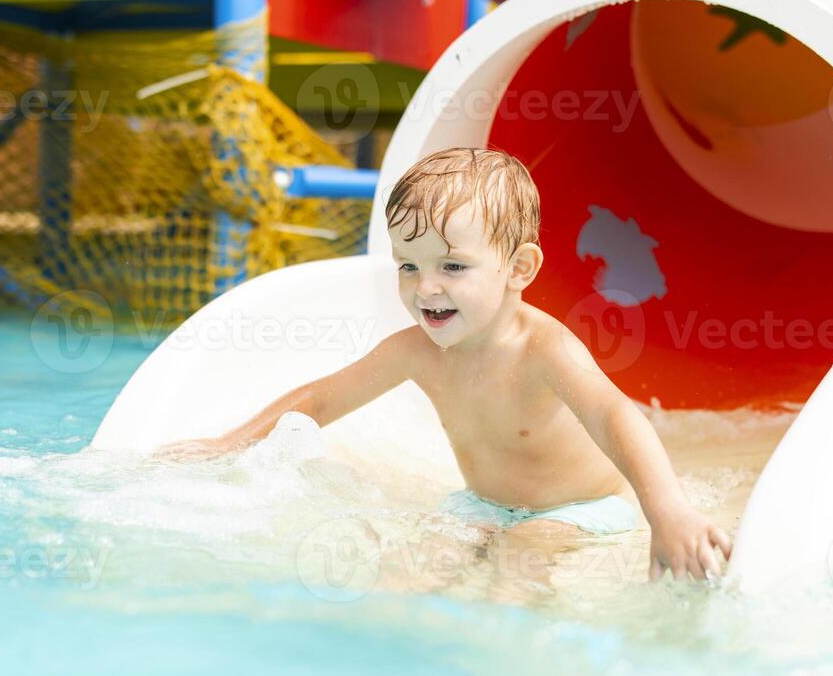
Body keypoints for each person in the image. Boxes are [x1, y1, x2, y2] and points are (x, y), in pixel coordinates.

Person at [157, 147, 732, 580]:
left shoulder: (544, 349)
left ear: (520, 269)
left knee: (518, 563)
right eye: (408, 265)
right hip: (480, 503)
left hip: (583, 509)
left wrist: (668, 513)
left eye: (453, 267)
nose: (425, 286)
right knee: (406, 571)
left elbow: (615, 417)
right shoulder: (416, 351)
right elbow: (320, 399)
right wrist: (226, 445)